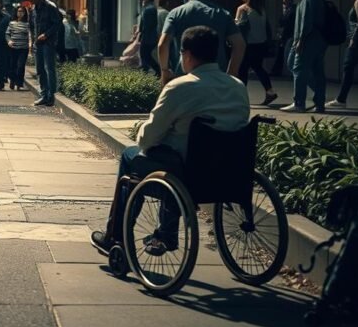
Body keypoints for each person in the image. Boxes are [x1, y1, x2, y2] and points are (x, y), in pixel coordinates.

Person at [91, 26, 250, 256]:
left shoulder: (181, 86)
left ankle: (115, 236)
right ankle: (165, 232)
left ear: (186, 55)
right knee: (172, 154)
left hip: (185, 171)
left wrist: (148, 139)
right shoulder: (237, 86)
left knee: (132, 156)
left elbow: (148, 138)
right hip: (227, 171)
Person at [158, 0, 245, 86]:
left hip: (183, 78)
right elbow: (239, 45)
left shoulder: (175, 13)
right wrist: (231, 73)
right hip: (217, 79)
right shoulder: (223, 14)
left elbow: (163, 44)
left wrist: (165, 71)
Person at [282, 0, 328, 113]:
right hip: (319, 41)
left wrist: (300, 40)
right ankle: (319, 103)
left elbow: (306, 22)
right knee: (317, 71)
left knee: (299, 69)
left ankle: (299, 103)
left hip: (308, 41)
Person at [234, 0, 278, 105]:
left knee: (242, 71)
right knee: (258, 68)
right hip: (260, 44)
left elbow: (239, 28)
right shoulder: (261, 10)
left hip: (248, 45)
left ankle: (241, 97)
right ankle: (270, 91)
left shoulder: (242, 9)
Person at [28, 0, 61, 106]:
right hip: (38, 44)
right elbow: (31, 26)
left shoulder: (50, 7)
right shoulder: (33, 9)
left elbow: (57, 24)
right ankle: (43, 95)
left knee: (49, 69)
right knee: (40, 70)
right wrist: (31, 42)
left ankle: (51, 95)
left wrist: (46, 34)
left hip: (48, 43)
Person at [270, 0, 298, 76]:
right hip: (284, 35)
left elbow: (288, 24)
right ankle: (277, 71)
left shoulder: (293, 10)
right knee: (281, 53)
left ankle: (281, 72)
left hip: (289, 36)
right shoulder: (287, 9)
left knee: (287, 56)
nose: (283, 1)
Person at [6, 5, 31, 91]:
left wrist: (30, 44)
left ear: (25, 13)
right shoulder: (12, 23)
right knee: (12, 66)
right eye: (19, 11)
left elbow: (30, 35)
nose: (20, 13)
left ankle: (19, 83)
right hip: (13, 47)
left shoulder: (27, 24)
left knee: (21, 66)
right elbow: (7, 33)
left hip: (23, 48)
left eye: (22, 11)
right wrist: (9, 41)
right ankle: (12, 80)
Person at [137, 0, 160, 76]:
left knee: (144, 54)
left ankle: (155, 69)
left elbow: (146, 25)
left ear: (147, 0)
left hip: (148, 37)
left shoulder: (148, 9)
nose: (142, 1)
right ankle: (146, 69)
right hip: (151, 36)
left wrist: (141, 34)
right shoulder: (151, 9)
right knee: (146, 54)